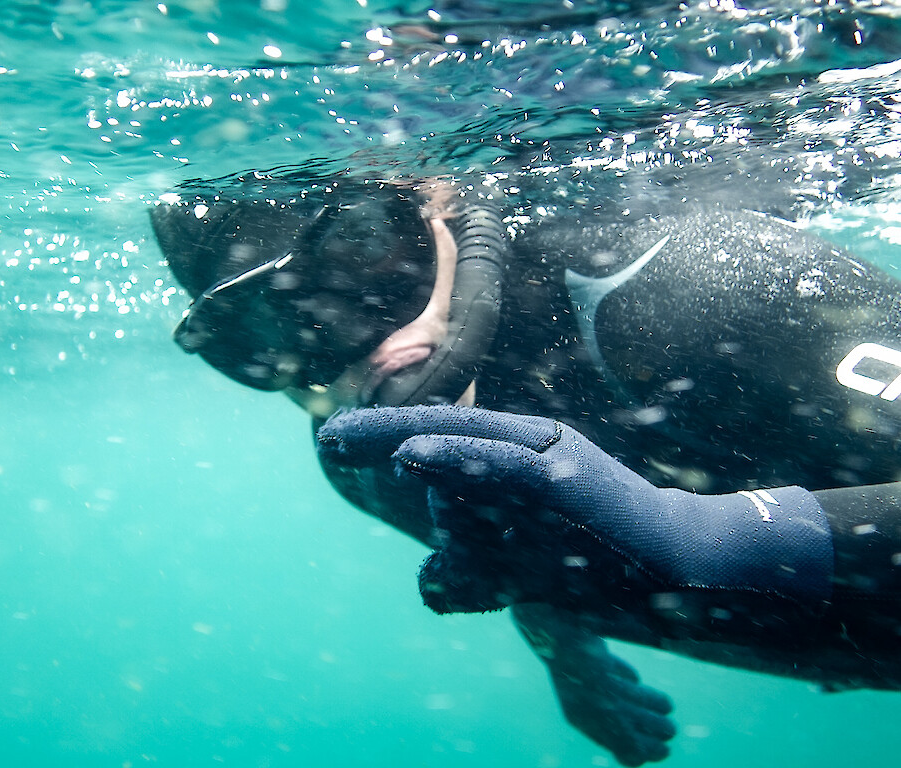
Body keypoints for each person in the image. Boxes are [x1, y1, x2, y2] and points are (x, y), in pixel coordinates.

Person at [150, 169, 901, 765]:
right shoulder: (369, 465)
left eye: (366, 253)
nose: (370, 351)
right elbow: (523, 561)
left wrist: (720, 534)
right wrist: (563, 643)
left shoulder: (700, 286)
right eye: (260, 332)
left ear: (444, 209)